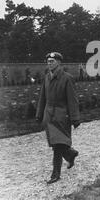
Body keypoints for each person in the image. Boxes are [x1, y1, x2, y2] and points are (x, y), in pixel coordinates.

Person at [36, 52, 81, 184]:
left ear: (59, 62)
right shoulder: (46, 78)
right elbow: (42, 98)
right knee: (57, 144)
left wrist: (75, 118)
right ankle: (70, 154)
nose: (49, 63)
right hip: (49, 116)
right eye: (48, 61)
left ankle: (55, 174)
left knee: (57, 146)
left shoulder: (67, 78)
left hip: (62, 117)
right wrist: (39, 114)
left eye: (52, 61)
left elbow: (72, 100)